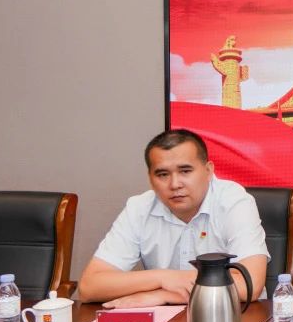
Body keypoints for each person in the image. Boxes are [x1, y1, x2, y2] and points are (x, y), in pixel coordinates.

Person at [79, 129, 268, 308]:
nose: (175, 184)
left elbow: (249, 285)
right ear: (150, 178)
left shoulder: (234, 201)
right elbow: (89, 287)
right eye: (162, 174)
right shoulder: (139, 208)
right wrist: (163, 278)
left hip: (234, 316)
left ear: (208, 171)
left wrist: (164, 295)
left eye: (185, 171)